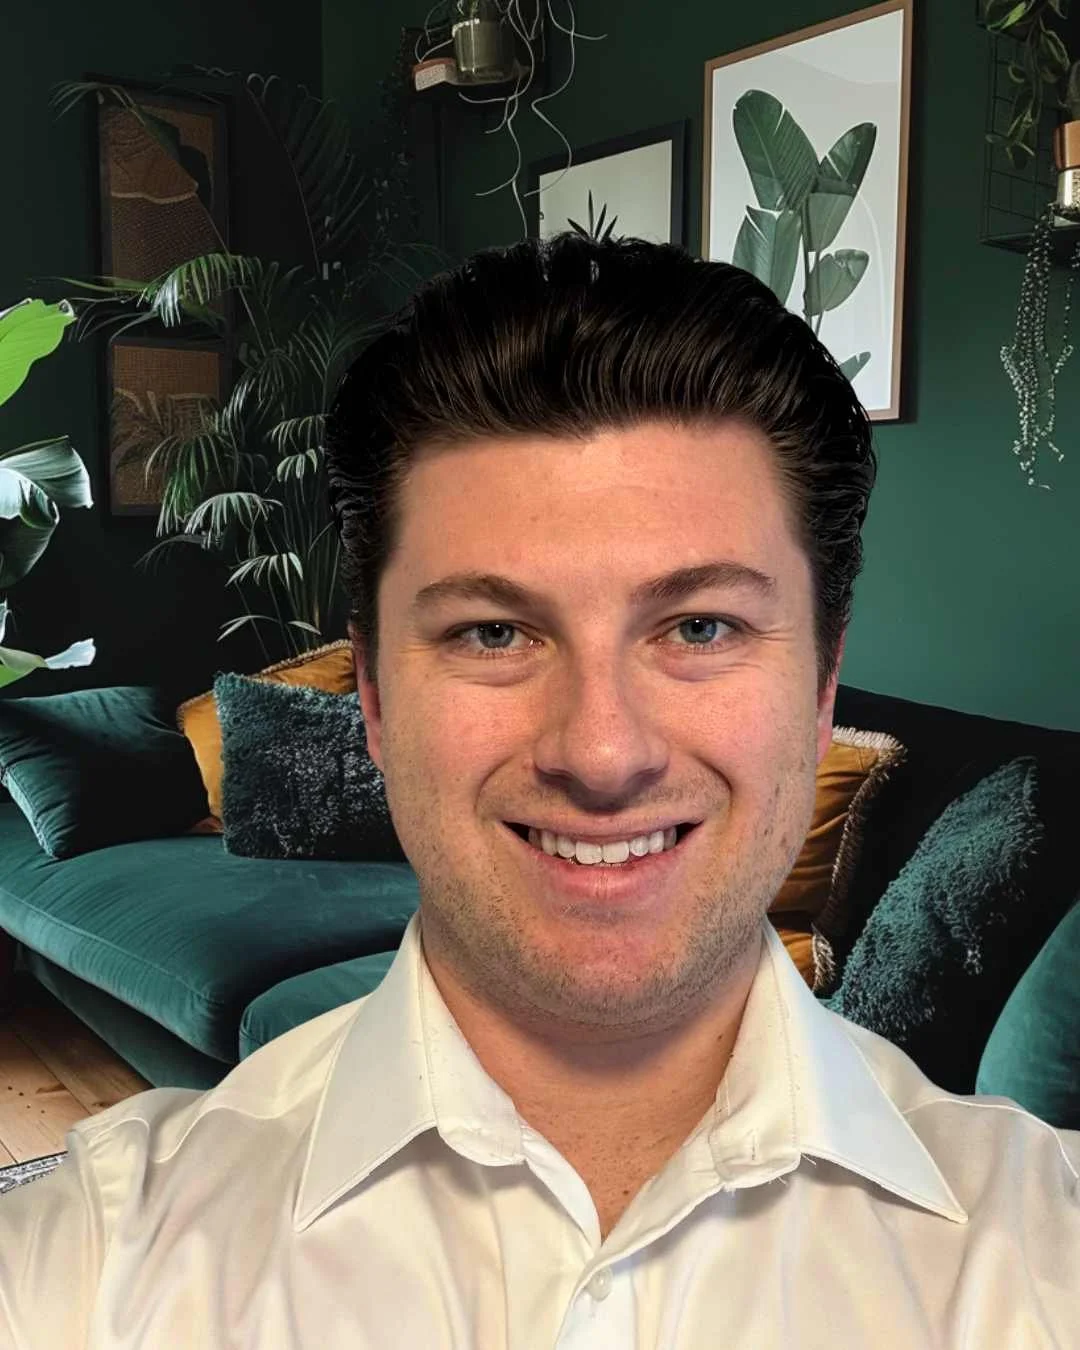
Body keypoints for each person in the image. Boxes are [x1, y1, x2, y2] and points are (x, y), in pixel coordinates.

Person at [0, 233, 1076, 1349]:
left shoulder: (1044, 1253)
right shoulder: (91, 1261)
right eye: (495, 631)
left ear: (819, 688)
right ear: (371, 693)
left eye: (699, 626)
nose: (603, 753)